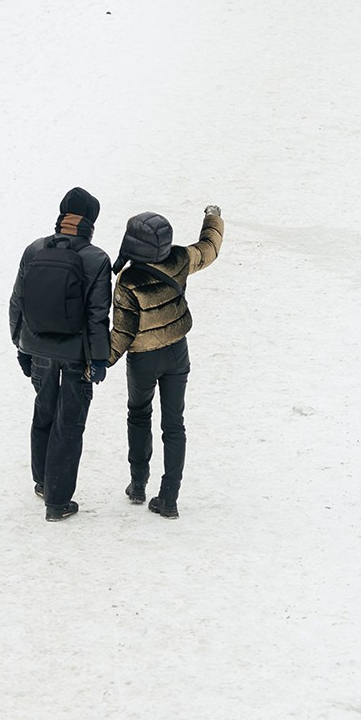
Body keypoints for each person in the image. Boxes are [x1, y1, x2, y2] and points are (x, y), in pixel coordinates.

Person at [109, 205, 224, 520]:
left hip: (143, 359)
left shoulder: (128, 280)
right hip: (177, 352)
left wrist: (100, 362)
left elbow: (122, 331)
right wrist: (212, 218)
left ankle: (138, 483)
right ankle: (169, 497)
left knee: (139, 415)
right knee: (174, 424)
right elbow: (209, 248)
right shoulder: (180, 260)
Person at [9, 187, 114, 521]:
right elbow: (98, 317)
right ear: (91, 221)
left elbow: (17, 302)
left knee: (44, 413)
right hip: (75, 356)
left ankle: (42, 482)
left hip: (37, 348)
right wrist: (99, 360)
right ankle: (57, 502)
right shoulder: (96, 259)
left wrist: (20, 346)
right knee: (68, 425)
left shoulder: (34, 249)